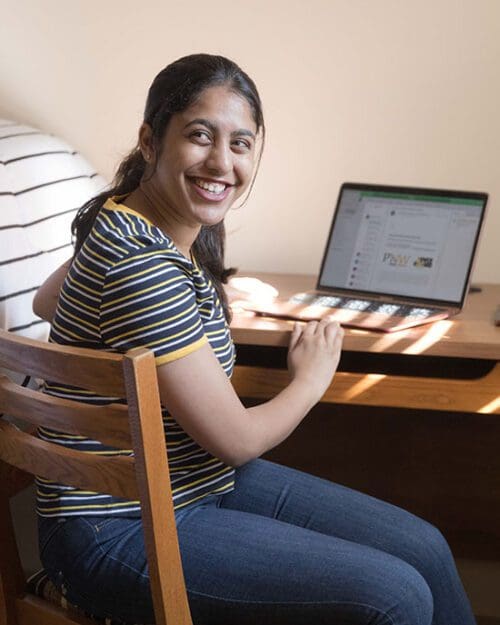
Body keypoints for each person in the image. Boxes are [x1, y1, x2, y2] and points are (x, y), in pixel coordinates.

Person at [33, 53, 476, 625]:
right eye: (200, 135)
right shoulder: (140, 265)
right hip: (115, 527)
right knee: (396, 595)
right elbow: (237, 441)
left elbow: (50, 299)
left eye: (241, 144)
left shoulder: (124, 223)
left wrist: (194, 305)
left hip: (186, 483)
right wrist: (310, 380)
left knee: (425, 547)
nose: (222, 161)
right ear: (150, 140)